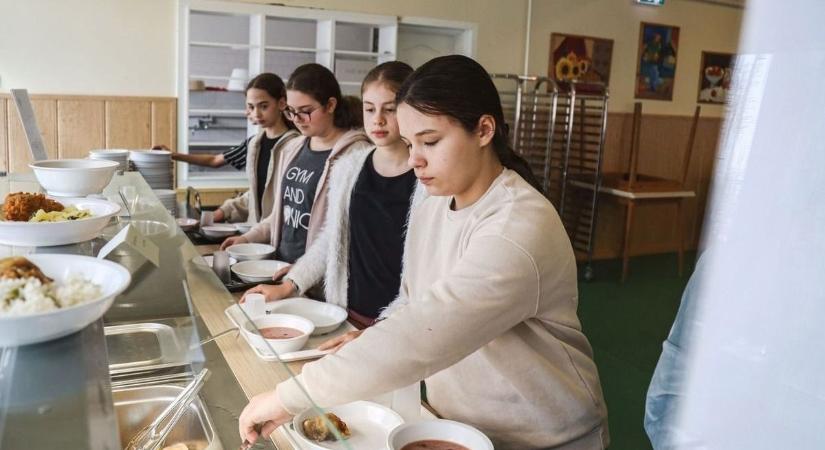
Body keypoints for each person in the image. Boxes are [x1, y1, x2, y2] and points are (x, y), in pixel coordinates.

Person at [237, 55, 609, 450]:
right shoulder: (433, 198)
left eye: (430, 142)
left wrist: (287, 397)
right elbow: (415, 301)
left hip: (546, 437)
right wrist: (374, 337)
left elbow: (429, 330)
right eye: (411, 142)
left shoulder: (518, 226)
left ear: (484, 129)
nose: (414, 159)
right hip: (458, 425)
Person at [242, 61, 422, 330]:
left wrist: (389, 327)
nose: (378, 120)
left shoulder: (427, 177)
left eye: (390, 109)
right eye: (370, 108)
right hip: (345, 313)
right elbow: (332, 237)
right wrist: (290, 285)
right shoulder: (351, 167)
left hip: (401, 324)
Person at [220, 64, 371, 268]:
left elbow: (344, 233)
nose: (297, 120)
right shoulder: (293, 148)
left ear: (330, 105)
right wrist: (248, 238)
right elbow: (280, 215)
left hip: (317, 278)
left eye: (306, 111)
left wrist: (301, 273)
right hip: (280, 267)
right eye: (291, 111)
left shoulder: (356, 153)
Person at [154, 73, 300, 224]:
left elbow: (289, 200)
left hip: (281, 235)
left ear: (282, 103)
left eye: (264, 106)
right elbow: (215, 161)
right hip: (256, 237)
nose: (256, 113)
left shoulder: (296, 145)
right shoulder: (253, 144)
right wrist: (172, 155)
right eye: (251, 107)